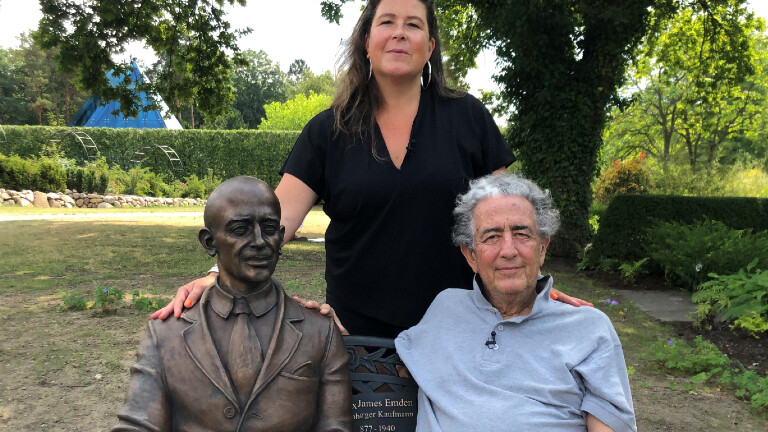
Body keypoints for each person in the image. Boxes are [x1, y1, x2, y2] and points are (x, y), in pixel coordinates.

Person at [152, 0, 590, 337]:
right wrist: (217, 276)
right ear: (366, 41)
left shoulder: (469, 118)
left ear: (430, 47)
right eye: (387, 22)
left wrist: (533, 285)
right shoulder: (328, 130)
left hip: (463, 329)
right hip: (355, 335)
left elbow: (508, 220)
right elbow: (274, 222)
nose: (399, 33)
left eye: (414, 24)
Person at [394, 173, 636, 431]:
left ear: (542, 248)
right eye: (492, 237)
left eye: (522, 234)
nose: (509, 251)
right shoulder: (445, 309)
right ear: (470, 255)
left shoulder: (589, 327)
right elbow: (386, 369)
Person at [114, 176, 352, 432]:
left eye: (269, 229)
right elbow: (137, 425)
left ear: (281, 237)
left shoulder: (320, 331)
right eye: (240, 229)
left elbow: (335, 426)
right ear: (209, 242)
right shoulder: (165, 334)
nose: (260, 241)